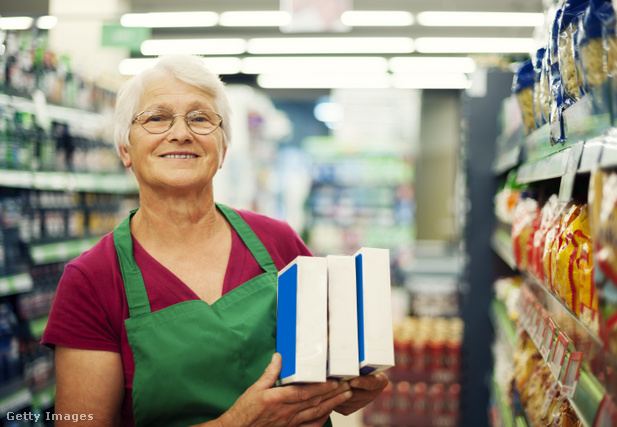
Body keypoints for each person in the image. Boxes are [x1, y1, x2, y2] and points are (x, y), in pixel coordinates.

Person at [42, 54, 388, 427]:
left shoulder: (279, 243)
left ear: (222, 149)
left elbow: (334, 360)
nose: (181, 133)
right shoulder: (92, 280)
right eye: (157, 118)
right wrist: (238, 423)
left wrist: (350, 386)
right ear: (125, 149)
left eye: (200, 118)